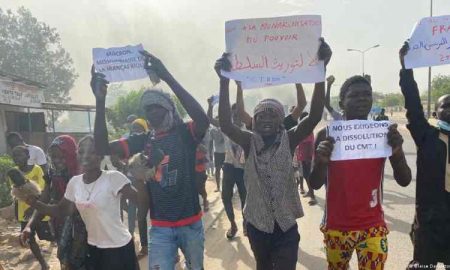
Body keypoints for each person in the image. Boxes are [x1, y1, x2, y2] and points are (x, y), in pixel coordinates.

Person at [215, 38, 332, 270]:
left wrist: (321, 69)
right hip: (258, 225)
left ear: (281, 121)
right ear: (253, 121)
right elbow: (227, 124)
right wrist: (224, 80)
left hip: (286, 227)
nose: (266, 119)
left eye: (272, 115)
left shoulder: (290, 138)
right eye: (261, 116)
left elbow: (315, 114)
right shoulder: (248, 141)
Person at [92, 51, 209, 270]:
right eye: (148, 108)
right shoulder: (143, 140)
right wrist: (100, 101)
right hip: (161, 226)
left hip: (190, 223)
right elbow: (101, 147)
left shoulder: (186, 134)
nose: (153, 112)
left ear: (170, 109)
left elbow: (203, 119)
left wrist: (167, 77)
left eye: (157, 106)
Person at [310, 75, 412, 270]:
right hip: (337, 226)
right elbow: (314, 183)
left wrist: (397, 151)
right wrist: (322, 161)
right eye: (354, 95)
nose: (362, 99)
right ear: (341, 102)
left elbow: (405, 180)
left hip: (372, 225)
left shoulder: (383, 134)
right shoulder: (327, 135)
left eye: (367, 94)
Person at [26, 135, 140, 270]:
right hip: (90, 244)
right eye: (81, 152)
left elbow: (139, 201)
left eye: (92, 152)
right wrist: (34, 205)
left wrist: (141, 177)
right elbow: (60, 210)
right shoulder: (73, 181)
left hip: (115, 245)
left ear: (100, 155)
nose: (85, 156)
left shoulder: (112, 178)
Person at [399, 42, 450, 269]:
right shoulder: (426, 135)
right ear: (435, 113)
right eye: (446, 106)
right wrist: (406, 67)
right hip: (429, 219)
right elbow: (412, 104)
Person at [23, 135, 89, 270]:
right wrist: (30, 225)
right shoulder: (51, 172)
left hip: (82, 225)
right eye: (53, 156)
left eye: (62, 156)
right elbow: (45, 198)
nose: (57, 160)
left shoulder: (82, 173)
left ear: (71, 154)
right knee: (64, 257)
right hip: (59, 222)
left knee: (81, 260)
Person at [209, 100, 247, 239]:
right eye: (233, 115)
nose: (236, 117)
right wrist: (210, 105)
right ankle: (233, 224)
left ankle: (245, 223)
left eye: (238, 114)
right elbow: (211, 120)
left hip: (243, 168)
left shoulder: (247, 128)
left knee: (245, 198)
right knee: (226, 197)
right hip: (229, 166)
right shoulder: (227, 128)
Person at [9, 146, 51, 270]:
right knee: (30, 238)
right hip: (24, 213)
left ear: (28, 156)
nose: (17, 158)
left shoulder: (37, 170)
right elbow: (16, 193)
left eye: (20, 155)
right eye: (14, 156)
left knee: (45, 235)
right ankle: (44, 264)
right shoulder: (14, 172)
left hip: (39, 210)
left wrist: (33, 207)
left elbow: (42, 191)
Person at [295, 112, 316, 206]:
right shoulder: (304, 130)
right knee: (305, 175)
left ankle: (312, 197)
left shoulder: (308, 131)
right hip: (303, 156)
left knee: (308, 176)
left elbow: (310, 145)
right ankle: (310, 193)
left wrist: (309, 158)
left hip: (307, 158)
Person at [207, 101, 226, 192]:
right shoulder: (212, 131)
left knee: (226, 171)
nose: (217, 122)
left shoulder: (225, 127)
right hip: (217, 152)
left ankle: (227, 186)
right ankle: (218, 186)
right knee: (217, 170)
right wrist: (210, 153)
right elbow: (211, 143)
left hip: (226, 152)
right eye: (216, 120)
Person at [196, 142, 209, 212]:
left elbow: (205, 150)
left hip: (201, 171)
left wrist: (197, 144)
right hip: (193, 171)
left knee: (202, 189)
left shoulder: (200, 144)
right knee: (195, 190)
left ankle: (205, 204)